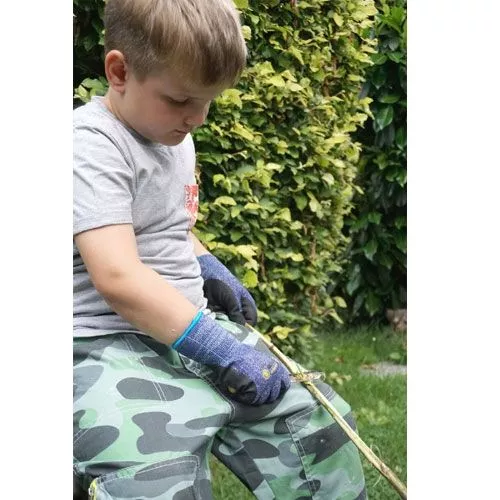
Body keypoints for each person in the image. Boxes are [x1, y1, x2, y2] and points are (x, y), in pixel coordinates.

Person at [73, 0, 367, 498]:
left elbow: (169, 227)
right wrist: (217, 346)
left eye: (208, 101)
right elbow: (117, 276)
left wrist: (207, 263)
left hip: (182, 328)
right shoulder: (90, 145)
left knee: (315, 421)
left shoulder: (172, 134)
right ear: (119, 72)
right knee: (159, 470)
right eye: (181, 99)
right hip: (102, 342)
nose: (197, 117)